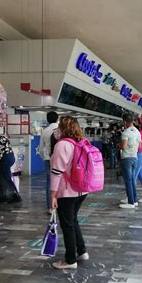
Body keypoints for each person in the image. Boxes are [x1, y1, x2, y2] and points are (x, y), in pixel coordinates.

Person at [50, 116, 89, 270]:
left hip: (67, 192)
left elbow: (56, 172)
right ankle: (82, 251)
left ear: (64, 128)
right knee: (73, 220)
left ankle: (70, 260)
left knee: (67, 225)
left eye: (60, 126)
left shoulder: (63, 145)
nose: (57, 129)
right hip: (82, 190)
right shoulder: (81, 142)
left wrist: (52, 195)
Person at [0, 123, 22, 203]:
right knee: (0, 176)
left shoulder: (0, 139)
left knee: (6, 177)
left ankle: (15, 195)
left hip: (5, 159)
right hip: (6, 159)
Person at [119, 113, 141, 209]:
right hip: (135, 158)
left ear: (125, 121)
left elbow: (123, 146)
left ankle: (130, 202)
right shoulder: (137, 131)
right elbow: (139, 146)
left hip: (126, 158)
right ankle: (134, 199)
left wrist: (119, 146)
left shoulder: (126, 132)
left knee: (128, 180)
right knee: (132, 180)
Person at [38, 111, 59, 210]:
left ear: (47, 119)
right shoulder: (61, 130)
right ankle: (59, 205)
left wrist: (45, 157)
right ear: (57, 118)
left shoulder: (45, 131)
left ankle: (50, 207)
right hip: (59, 158)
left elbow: (41, 148)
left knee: (49, 182)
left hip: (48, 158)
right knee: (60, 181)